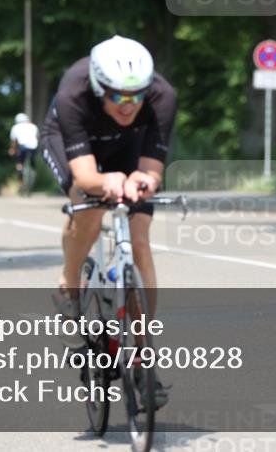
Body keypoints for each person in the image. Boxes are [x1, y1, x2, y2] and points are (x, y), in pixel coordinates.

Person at [40, 35, 176, 407]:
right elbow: (86, 176)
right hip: (75, 140)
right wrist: (105, 181)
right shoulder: (73, 93)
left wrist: (142, 181)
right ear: (99, 87)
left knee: (141, 237)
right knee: (91, 203)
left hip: (129, 144)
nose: (128, 104)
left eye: (136, 96)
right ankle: (69, 287)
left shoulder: (162, 97)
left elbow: (150, 169)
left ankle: (144, 359)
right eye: (117, 96)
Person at [9, 112, 39, 188]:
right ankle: (33, 171)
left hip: (23, 147)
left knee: (19, 163)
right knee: (33, 161)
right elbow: (37, 137)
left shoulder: (15, 127)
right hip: (33, 147)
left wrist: (12, 149)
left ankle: (20, 180)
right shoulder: (33, 126)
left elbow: (14, 141)